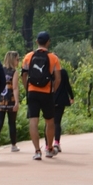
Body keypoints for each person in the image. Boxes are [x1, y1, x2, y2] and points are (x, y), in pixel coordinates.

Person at [21, 31, 62, 160]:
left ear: (36, 42)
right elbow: (58, 78)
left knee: (33, 121)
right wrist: (53, 89)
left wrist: (27, 88)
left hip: (32, 92)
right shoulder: (53, 58)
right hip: (47, 92)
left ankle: (37, 151)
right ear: (48, 42)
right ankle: (49, 149)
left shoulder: (28, 56)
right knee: (50, 121)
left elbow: (24, 75)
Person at [0, 51, 21, 152]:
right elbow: (15, 88)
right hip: (10, 99)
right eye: (17, 59)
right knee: (12, 123)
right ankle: (13, 145)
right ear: (13, 60)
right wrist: (17, 102)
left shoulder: (0, 70)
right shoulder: (14, 72)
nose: (18, 61)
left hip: (0, 100)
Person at [52, 67, 74, 153]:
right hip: (61, 99)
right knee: (57, 121)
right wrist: (71, 96)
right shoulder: (63, 72)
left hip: (50, 99)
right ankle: (57, 142)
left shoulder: (49, 71)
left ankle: (47, 144)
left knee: (49, 122)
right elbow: (67, 85)